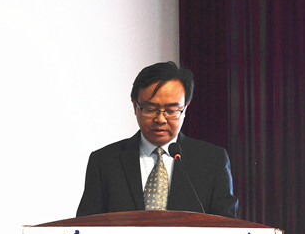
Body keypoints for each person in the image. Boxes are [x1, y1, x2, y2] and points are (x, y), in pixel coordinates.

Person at [76, 61, 238, 218]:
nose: (160, 119)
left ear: (185, 109)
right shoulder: (104, 161)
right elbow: (86, 226)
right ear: (135, 106)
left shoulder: (212, 160)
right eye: (150, 109)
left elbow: (228, 226)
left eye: (171, 110)